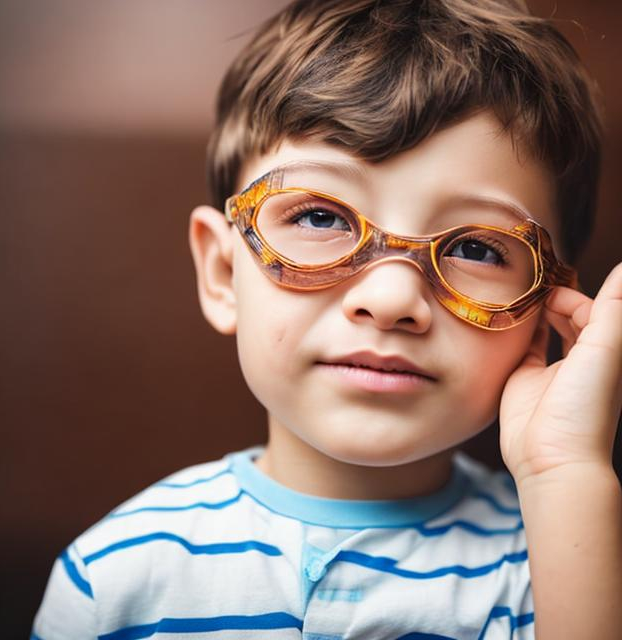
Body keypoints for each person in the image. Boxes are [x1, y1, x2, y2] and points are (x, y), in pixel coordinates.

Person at [31, 1, 622, 638]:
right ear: (224, 273)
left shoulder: (564, 565)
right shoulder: (115, 577)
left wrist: (564, 473)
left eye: (475, 248)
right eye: (321, 218)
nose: (392, 298)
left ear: (540, 319)